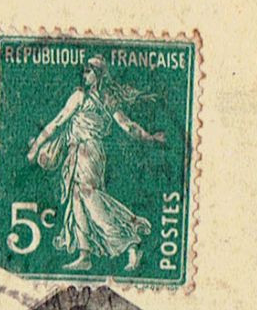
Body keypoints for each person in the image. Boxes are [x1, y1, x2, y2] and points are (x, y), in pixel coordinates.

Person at [26, 54, 167, 272]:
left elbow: (58, 121)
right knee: (78, 200)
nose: (84, 74)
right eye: (84, 70)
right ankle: (85, 255)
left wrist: (36, 148)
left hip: (87, 152)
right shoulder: (105, 99)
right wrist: (149, 137)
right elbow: (127, 126)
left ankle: (130, 243)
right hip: (83, 152)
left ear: (98, 74)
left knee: (91, 200)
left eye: (88, 70)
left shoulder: (82, 97)